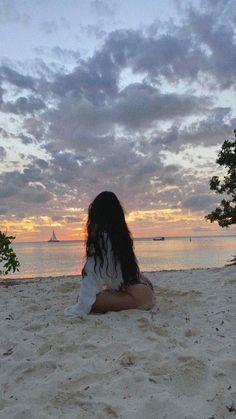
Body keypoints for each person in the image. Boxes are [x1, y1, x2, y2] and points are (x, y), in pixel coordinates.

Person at [64, 191, 156, 317]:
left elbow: (92, 278)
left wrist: (82, 303)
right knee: (94, 296)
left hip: (138, 299)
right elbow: (116, 272)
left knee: (85, 300)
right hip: (146, 289)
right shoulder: (122, 238)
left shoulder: (102, 239)